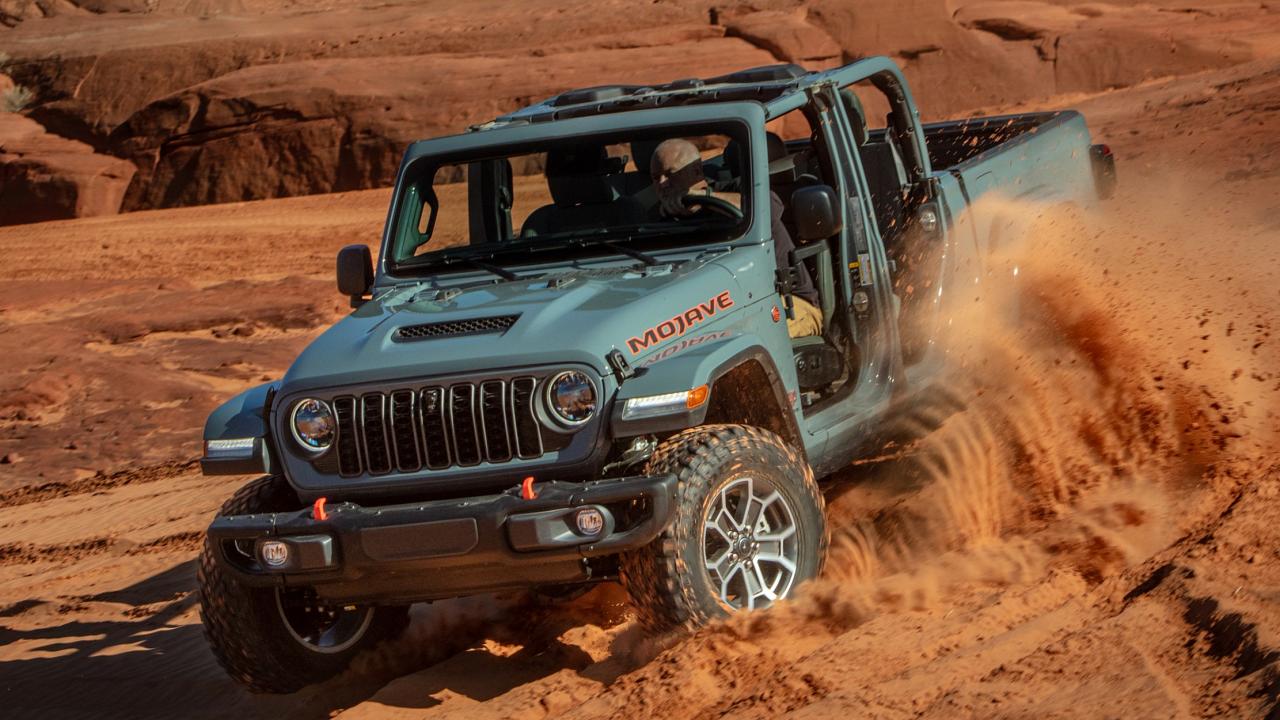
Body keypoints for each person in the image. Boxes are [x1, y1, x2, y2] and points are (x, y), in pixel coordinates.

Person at [648, 138, 822, 337]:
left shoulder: (740, 190)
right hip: (707, 313)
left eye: (670, 174)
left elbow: (769, 208)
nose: (662, 184)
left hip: (786, 301)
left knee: (741, 338)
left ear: (697, 171)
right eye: (655, 177)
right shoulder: (657, 219)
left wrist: (705, 197)